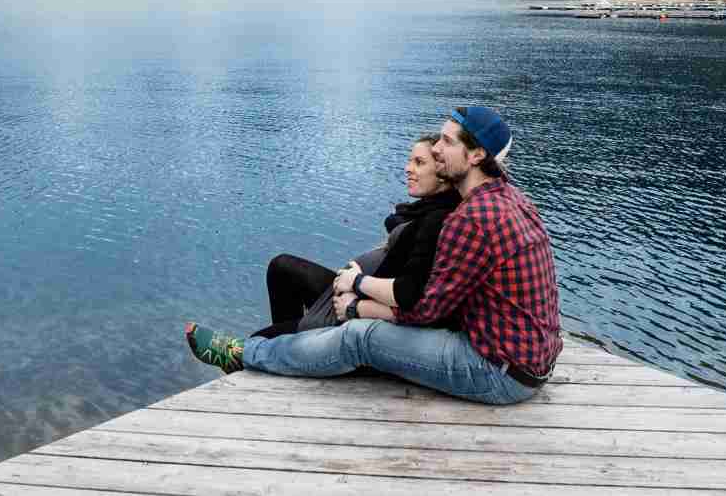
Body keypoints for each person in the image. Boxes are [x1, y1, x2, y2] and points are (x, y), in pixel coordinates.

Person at [185, 106, 562, 406]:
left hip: (496, 372)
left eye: (446, 142)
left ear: (477, 154)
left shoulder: (472, 218)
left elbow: (423, 310)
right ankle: (270, 355)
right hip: (527, 359)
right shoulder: (509, 198)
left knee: (360, 339)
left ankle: (243, 353)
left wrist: (355, 304)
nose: (435, 149)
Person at [252, 134, 461, 339]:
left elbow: (409, 292)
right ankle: (291, 345)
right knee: (281, 267)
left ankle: (292, 343)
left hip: (357, 307)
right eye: (410, 161)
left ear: (443, 171)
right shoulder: (423, 211)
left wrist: (357, 285)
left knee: (257, 341)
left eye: (419, 163)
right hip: (355, 291)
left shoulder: (436, 220)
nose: (408, 169)